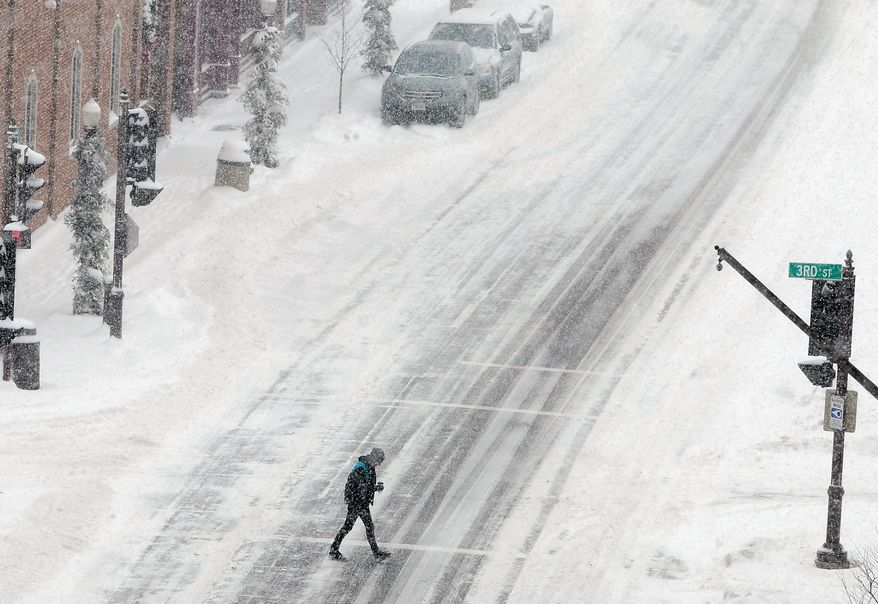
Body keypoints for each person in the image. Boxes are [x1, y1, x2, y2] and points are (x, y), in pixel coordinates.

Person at [329, 447, 391, 561]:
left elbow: (365, 487)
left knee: (365, 527)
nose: (379, 464)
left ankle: (335, 549)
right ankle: (334, 549)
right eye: (379, 461)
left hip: (361, 502)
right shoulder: (361, 468)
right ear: (374, 458)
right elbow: (361, 488)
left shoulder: (369, 467)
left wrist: (375, 488)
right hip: (357, 503)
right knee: (352, 526)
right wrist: (374, 488)